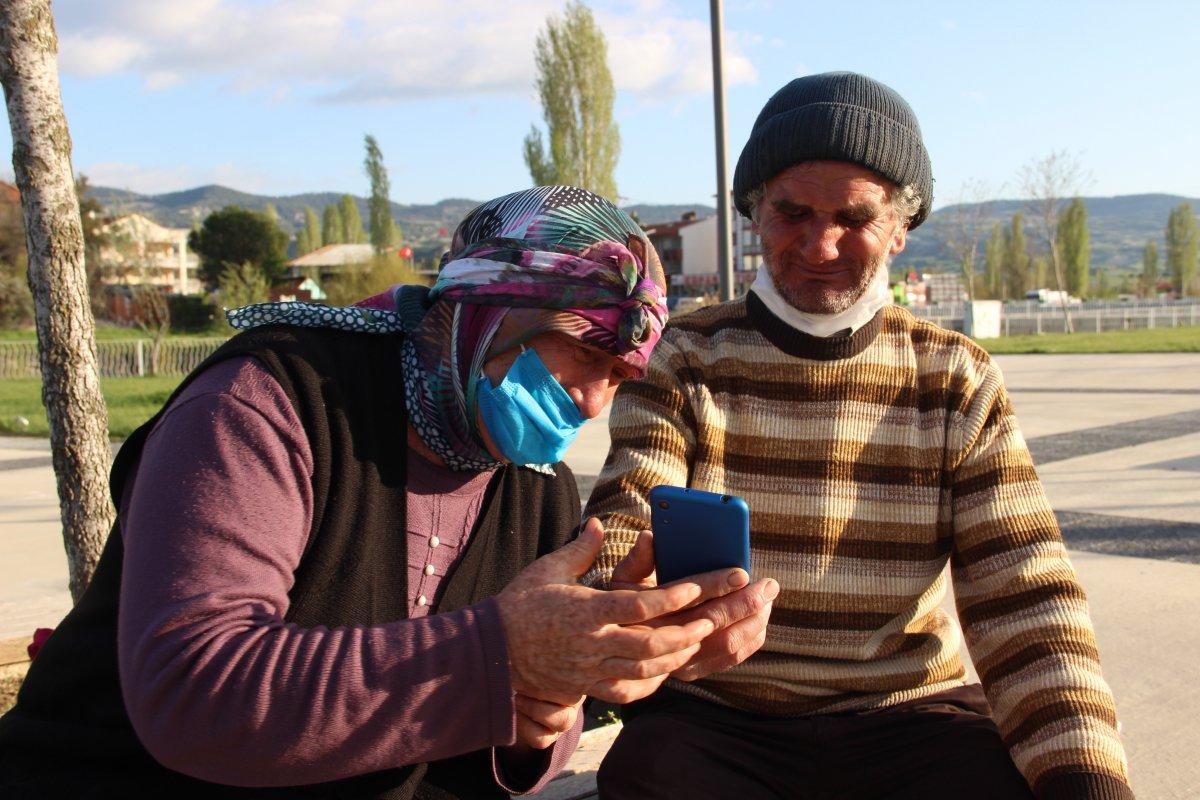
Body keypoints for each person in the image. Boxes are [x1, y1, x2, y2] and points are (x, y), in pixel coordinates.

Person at [0, 186, 771, 798]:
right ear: (490, 309)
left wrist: (562, 691)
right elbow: (194, 690)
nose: (595, 402)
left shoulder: (537, 490)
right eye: (585, 352)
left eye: (620, 376)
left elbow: (514, 731)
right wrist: (502, 656)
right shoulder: (270, 404)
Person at [585, 73, 1134, 799]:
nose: (820, 245)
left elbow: (1026, 595)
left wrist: (1087, 780)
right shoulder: (684, 359)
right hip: (721, 719)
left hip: (908, 717)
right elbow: (624, 526)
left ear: (901, 229)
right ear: (754, 214)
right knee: (650, 773)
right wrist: (637, 613)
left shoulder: (954, 376)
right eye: (792, 212)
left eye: (855, 217)